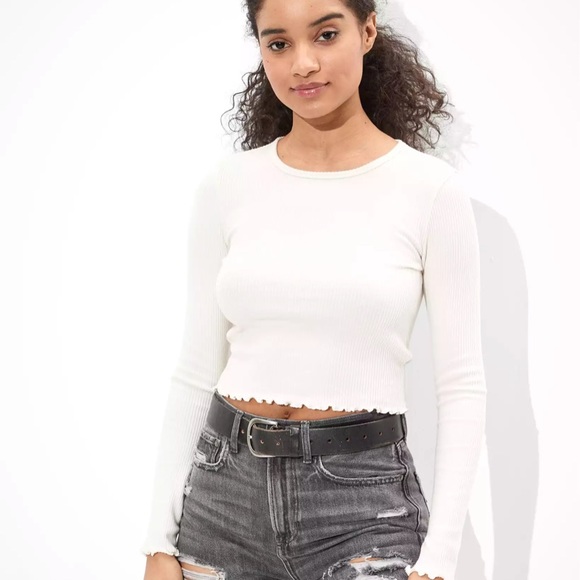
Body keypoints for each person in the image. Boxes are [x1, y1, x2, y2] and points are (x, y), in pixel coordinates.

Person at [141, 1, 487, 579]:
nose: (302, 63)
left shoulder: (430, 192)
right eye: (278, 43)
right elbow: (196, 370)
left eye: (325, 35)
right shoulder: (227, 187)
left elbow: (462, 386)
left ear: (368, 31)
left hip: (364, 506)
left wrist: (440, 561)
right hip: (222, 499)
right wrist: (158, 539)